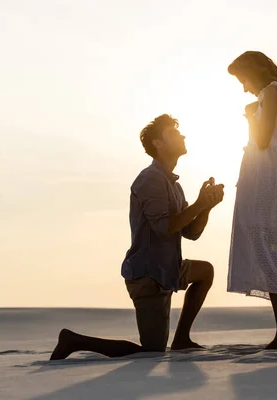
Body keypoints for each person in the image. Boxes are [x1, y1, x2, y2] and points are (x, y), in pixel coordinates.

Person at [50, 114, 224, 360]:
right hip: (147, 277)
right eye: (173, 133)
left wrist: (206, 207)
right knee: (150, 353)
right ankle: (73, 340)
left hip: (169, 270)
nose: (182, 136)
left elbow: (190, 232)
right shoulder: (150, 179)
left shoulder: (173, 184)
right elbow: (165, 227)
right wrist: (198, 204)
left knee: (205, 272)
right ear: (158, 143)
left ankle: (182, 338)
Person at [227, 51, 277, 350]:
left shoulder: (270, 92)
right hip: (272, 170)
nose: (244, 87)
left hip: (265, 173)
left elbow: (261, 139)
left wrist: (248, 115)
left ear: (253, 71)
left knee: (266, 246)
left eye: (243, 79)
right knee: (266, 242)